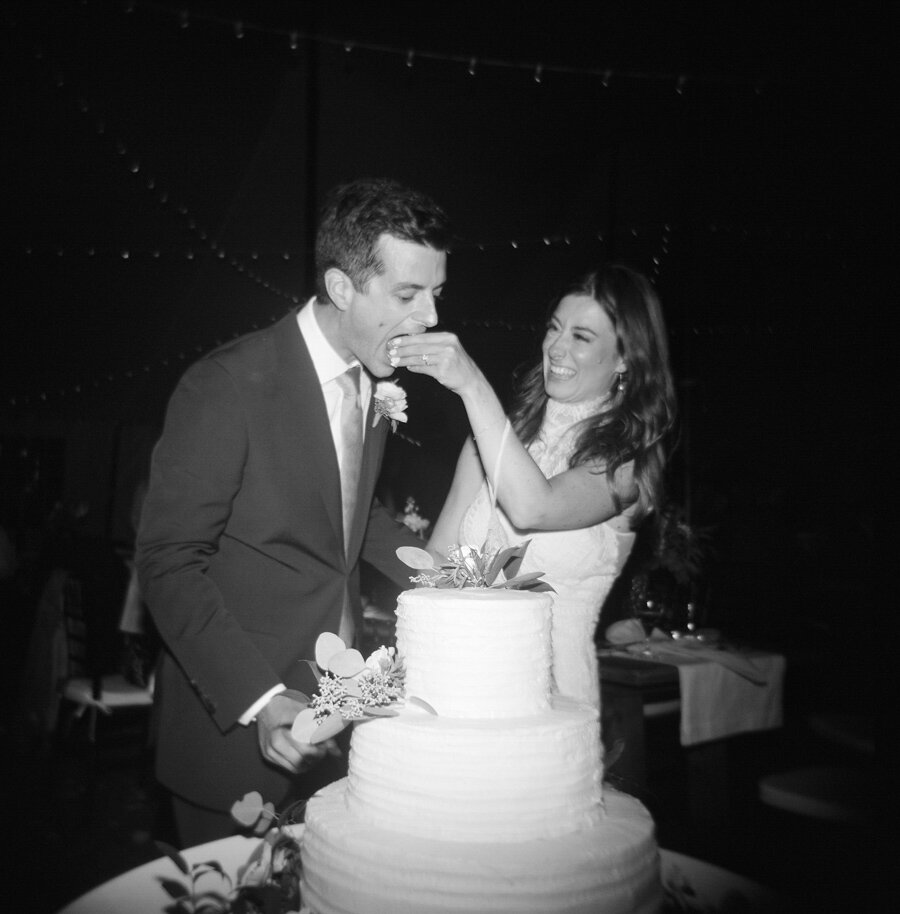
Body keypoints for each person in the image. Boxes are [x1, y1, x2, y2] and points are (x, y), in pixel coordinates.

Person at [136, 177, 451, 846]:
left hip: (338, 718)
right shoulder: (225, 385)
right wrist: (259, 698)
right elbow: (165, 564)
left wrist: (447, 580)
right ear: (342, 289)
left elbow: (348, 526)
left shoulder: (374, 387)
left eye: (435, 295)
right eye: (407, 295)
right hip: (238, 733)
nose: (428, 318)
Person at [390, 263, 676, 709]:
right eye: (554, 329)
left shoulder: (625, 467)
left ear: (626, 358)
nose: (556, 348)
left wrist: (471, 384)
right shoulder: (492, 438)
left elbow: (533, 508)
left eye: (581, 337)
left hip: (551, 699)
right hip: (461, 681)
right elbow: (439, 555)